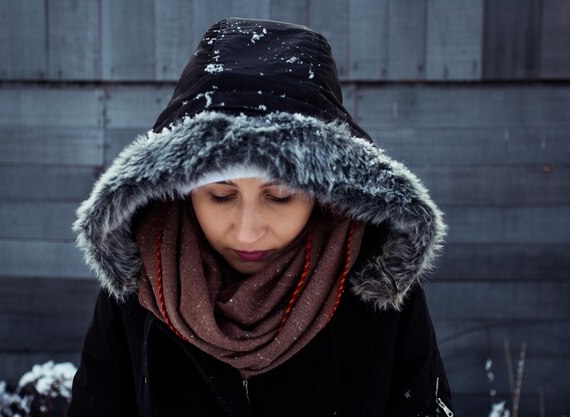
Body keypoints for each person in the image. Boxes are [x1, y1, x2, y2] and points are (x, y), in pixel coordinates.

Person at [67, 17, 453, 417]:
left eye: (281, 196)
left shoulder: (378, 294)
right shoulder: (137, 290)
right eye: (220, 196)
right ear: (182, 188)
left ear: (323, 194)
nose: (248, 231)